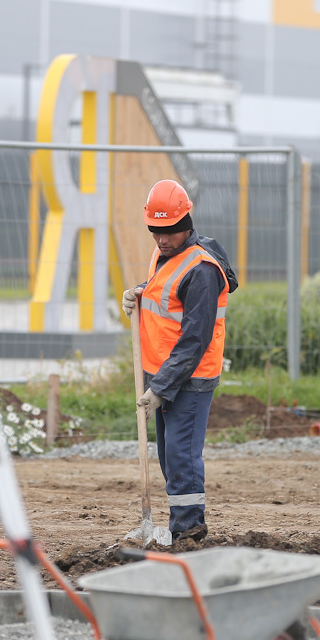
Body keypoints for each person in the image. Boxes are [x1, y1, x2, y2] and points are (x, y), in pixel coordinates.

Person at [121, 179, 238, 543]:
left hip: (188, 378)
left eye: (169, 231)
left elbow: (194, 339)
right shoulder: (167, 253)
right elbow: (166, 294)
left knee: (182, 457)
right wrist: (140, 292)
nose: (161, 239)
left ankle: (188, 532)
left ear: (186, 222)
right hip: (164, 373)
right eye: (155, 231)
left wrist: (160, 387)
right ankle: (178, 528)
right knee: (170, 459)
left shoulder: (202, 270)